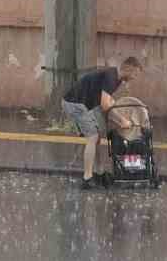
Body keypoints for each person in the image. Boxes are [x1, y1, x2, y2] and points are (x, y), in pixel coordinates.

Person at [62, 56, 144, 189]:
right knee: (93, 137)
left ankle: (98, 173)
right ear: (128, 69)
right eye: (135, 74)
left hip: (83, 104)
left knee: (97, 137)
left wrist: (117, 118)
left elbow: (108, 102)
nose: (134, 78)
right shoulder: (111, 77)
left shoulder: (115, 78)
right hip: (75, 104)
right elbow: (105, 105)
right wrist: (122, 120)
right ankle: (87, 179)